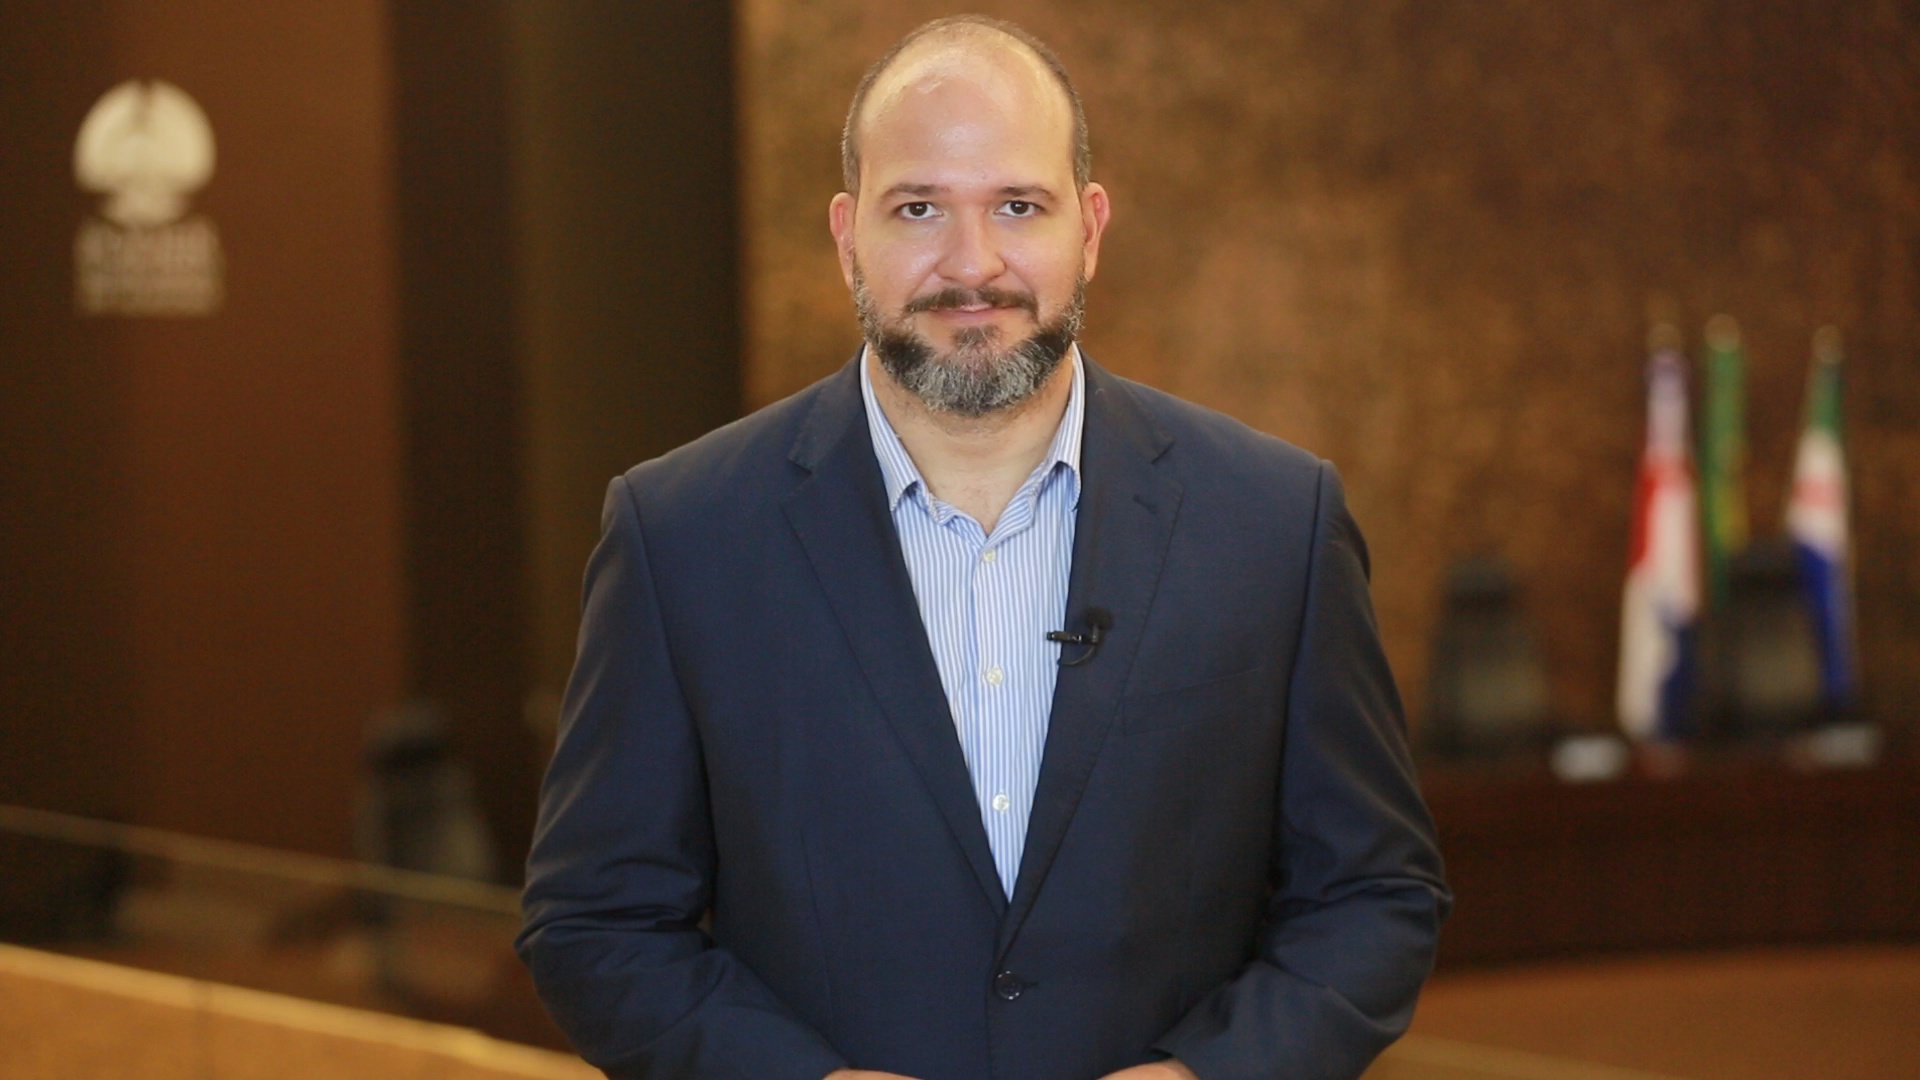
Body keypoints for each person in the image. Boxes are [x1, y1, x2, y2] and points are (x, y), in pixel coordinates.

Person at [517, 15, 1448, 1080]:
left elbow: (1375, 896)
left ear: (1090, 227)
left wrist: (1208, 1075)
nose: (973, 263)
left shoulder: (1276, 522)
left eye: (1018, 205)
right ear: (847, 235)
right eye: (918, 207)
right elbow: (595, 923)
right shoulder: (680, 533)